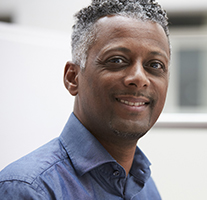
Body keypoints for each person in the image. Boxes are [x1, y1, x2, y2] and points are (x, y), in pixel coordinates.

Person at [0, 0, 170, 199]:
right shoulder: (29, 189)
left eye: (155, 65)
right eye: (116, 60)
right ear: (73, 78)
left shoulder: (145, 186)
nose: (139, 78)